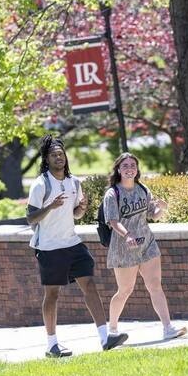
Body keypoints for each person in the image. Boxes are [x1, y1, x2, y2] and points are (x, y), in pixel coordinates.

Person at [26, 135, 128, 357]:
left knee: (90, 284)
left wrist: (82, 208)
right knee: (52, 294)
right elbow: (31, 218)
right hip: (49, 246)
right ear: (46, 159)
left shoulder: (74, 183)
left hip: (72, 242)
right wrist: (50, 206)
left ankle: (105, 338)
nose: (58, 158)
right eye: (53, 155)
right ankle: (51, 345)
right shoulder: (41, 184)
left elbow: (75, 214)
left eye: (61, 154)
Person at [103, 152, 187, 340]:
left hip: (147, 243)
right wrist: (127, 235)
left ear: (137, 169)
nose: (129, 168)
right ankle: (113, 331)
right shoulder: (112, 194)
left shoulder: (142, 188)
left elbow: (152, 215)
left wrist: (161, 208)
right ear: (118, 169)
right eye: (125, 165)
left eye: (133, 165)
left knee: (155, 285)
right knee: (124, 290)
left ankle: (168, 328)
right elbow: (113, 221)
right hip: (124, 248)